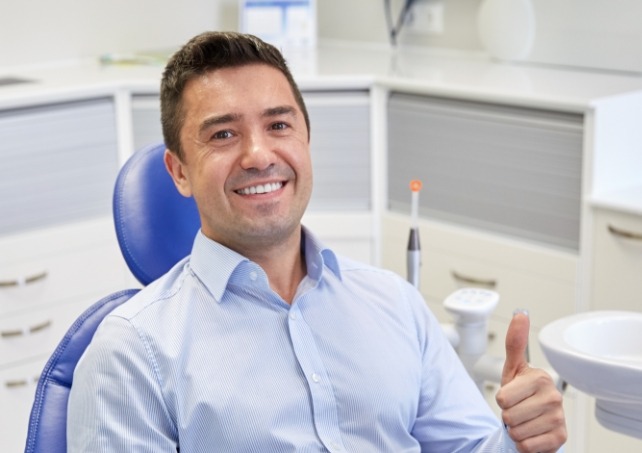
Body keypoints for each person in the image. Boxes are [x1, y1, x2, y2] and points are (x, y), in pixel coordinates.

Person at [67, 31, 567, 453]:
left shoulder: (394, 303)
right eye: (222, 135)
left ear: (305, 140)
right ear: (179, 172)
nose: (259, 155)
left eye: (278, 125)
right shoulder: (132, 354)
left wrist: (520, 439)